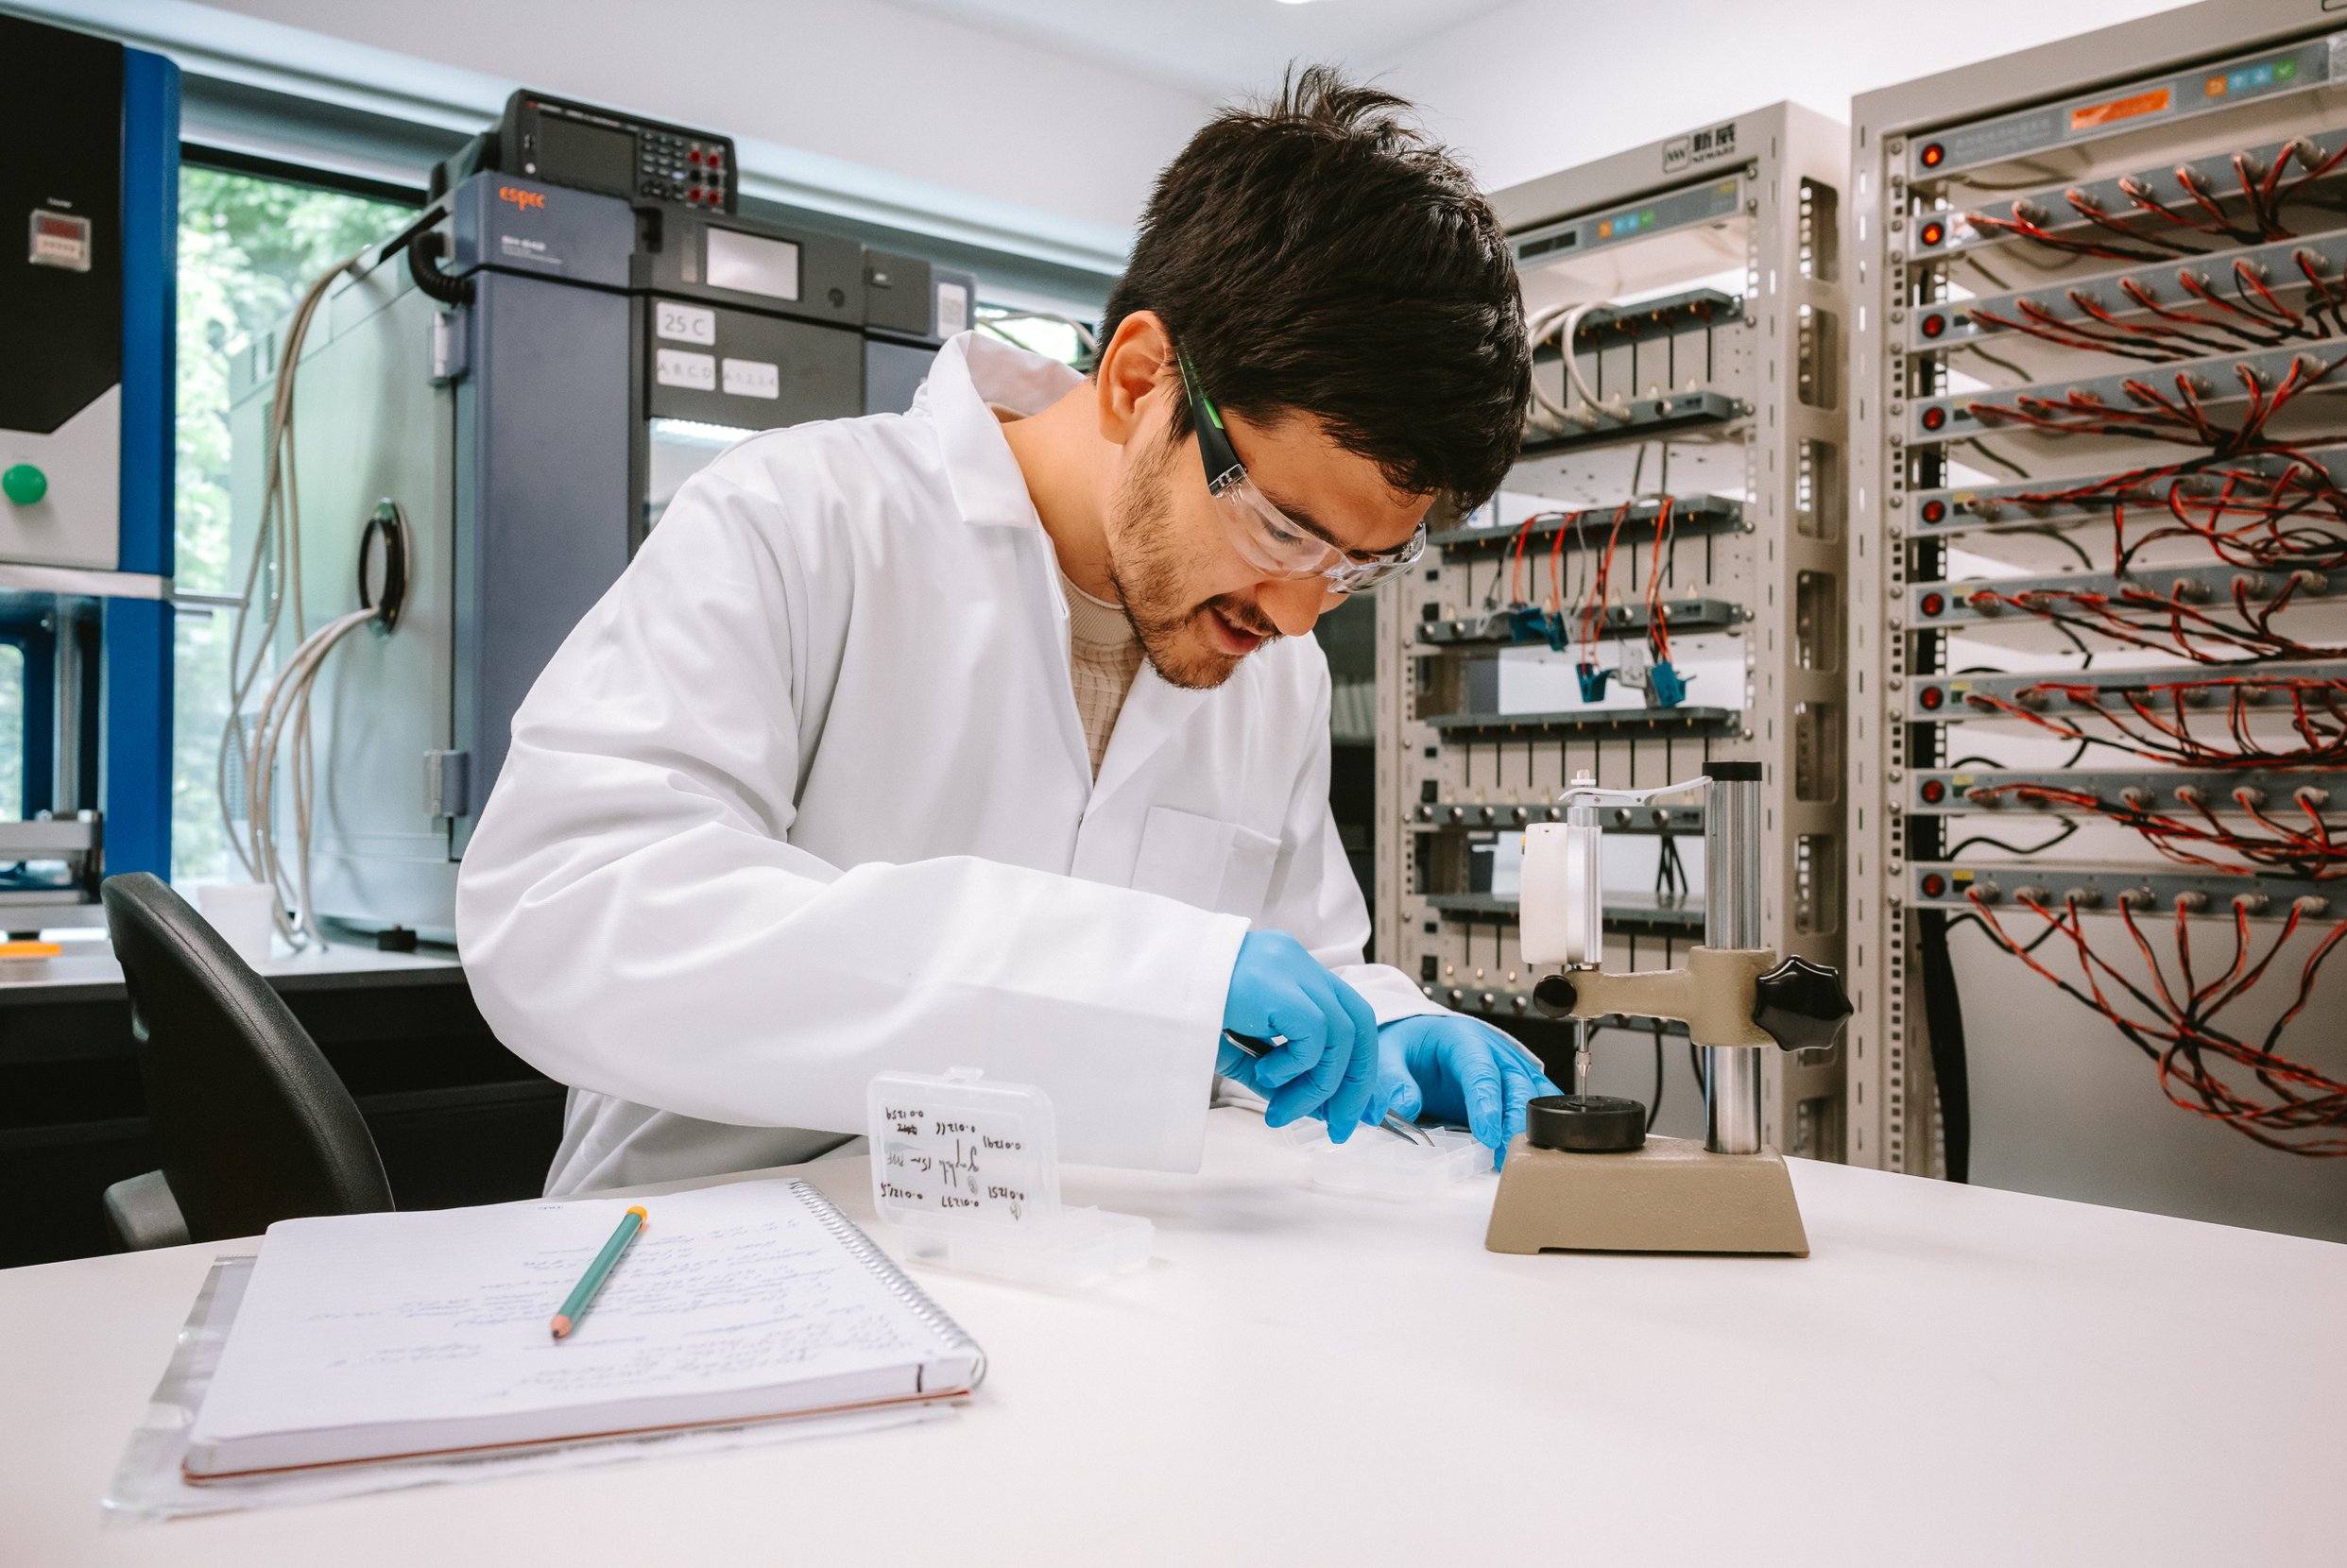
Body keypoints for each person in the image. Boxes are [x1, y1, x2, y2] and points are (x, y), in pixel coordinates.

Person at [456, 68, 1554, 1196]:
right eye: (1282, 528)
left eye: (1358, 565)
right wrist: (1149, 981)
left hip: (1086, 1269)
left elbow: (1276, 975)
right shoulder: (802, 517)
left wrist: (1375, 1024)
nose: (1296, 613)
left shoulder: (1271, 667)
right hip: (723, 1256)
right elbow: (568, 915)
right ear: (1138, 381)